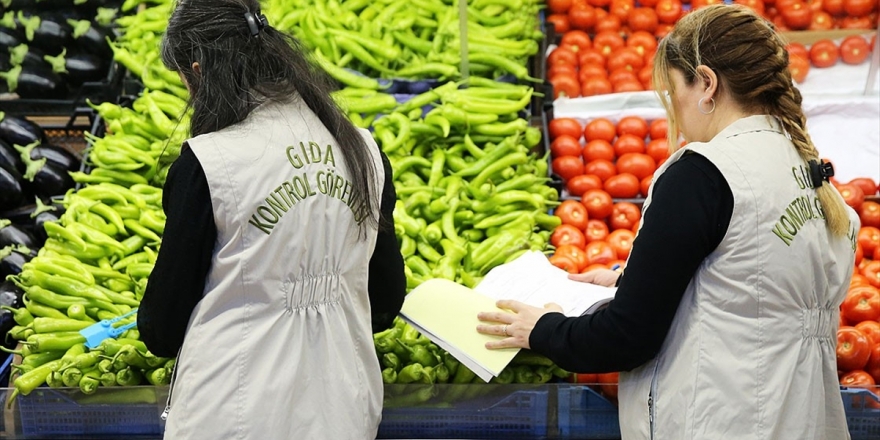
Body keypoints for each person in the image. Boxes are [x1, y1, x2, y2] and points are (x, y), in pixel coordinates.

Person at [477, 5, 860, 439]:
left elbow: (627, 337)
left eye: (674, 89)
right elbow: (754, 282)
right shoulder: (808, 174)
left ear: (707, 84)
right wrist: (630, 277)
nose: (673, 106)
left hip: (723, 423)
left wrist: (542, 330)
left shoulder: (706, 172)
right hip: (803, 421)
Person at [135, 0, 407, 438]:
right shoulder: (363, 150)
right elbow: (386, 301)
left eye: (185, 80)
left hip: (233, 413)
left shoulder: (210, 163)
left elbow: (161, 329)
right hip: (345, 406)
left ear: (199, 69)